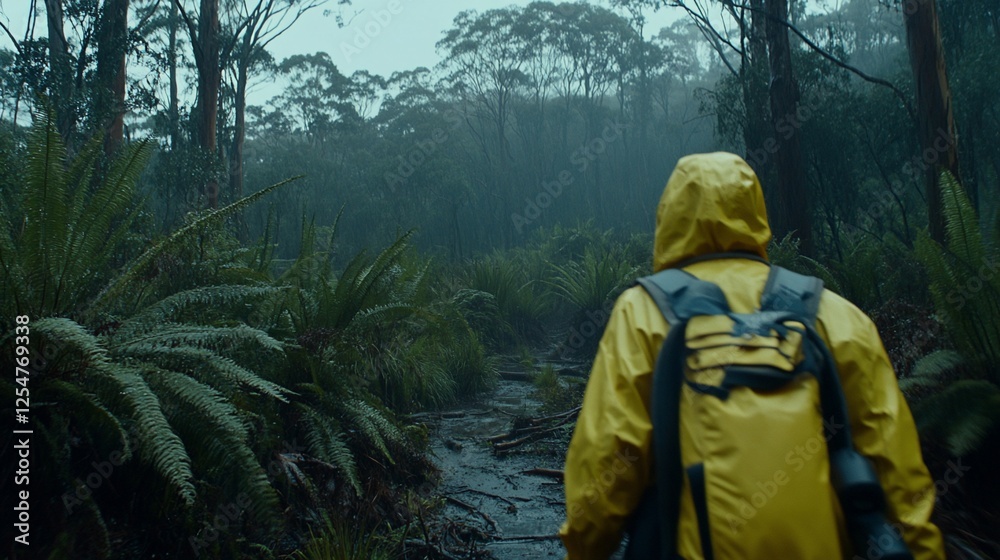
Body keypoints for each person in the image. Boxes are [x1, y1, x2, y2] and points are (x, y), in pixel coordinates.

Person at [558, 152, 945, 560]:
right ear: (756, 212)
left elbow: (610, 457)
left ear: (669, 217)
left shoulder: (641, 312)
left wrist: (584, 547)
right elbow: (895, 465)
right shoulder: (835, 315)